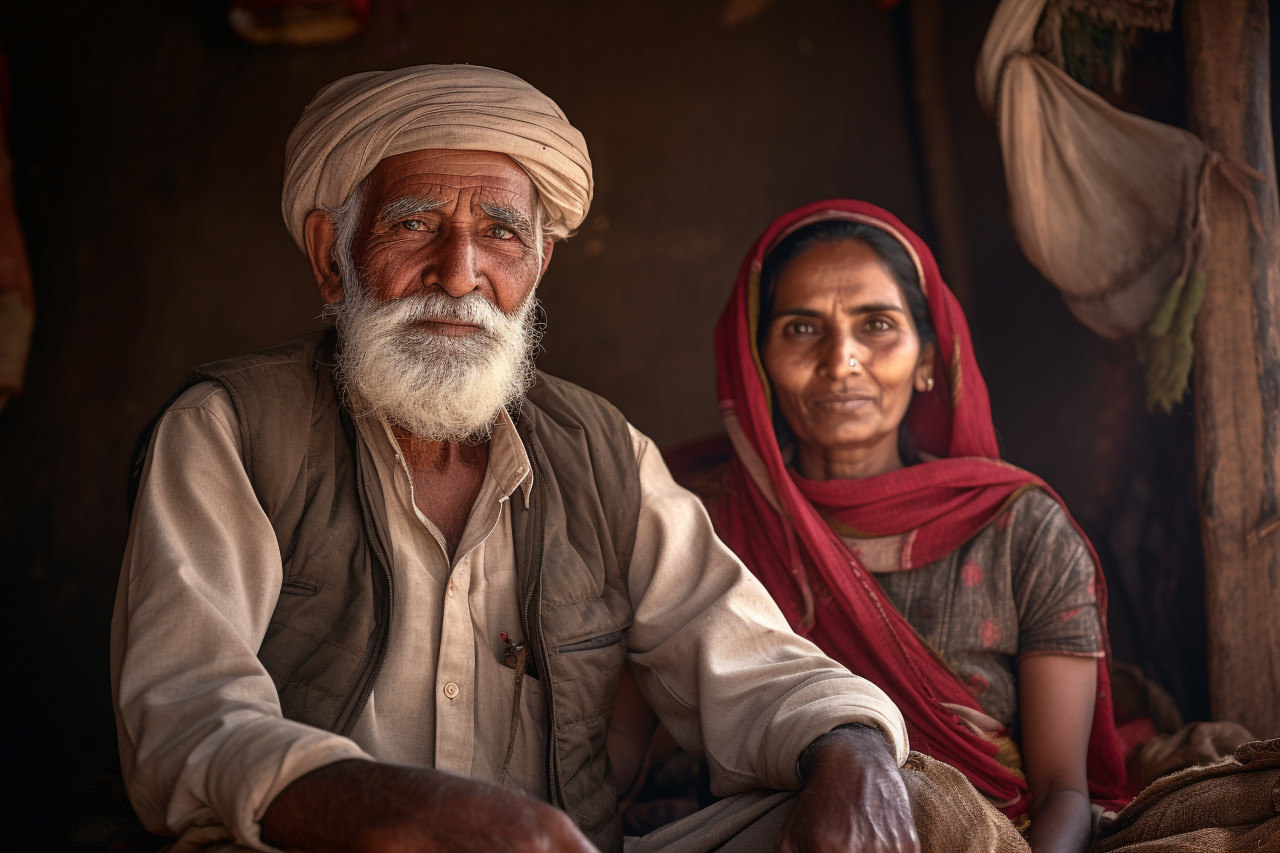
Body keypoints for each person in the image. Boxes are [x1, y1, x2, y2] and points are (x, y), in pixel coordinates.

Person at [111, 67, 931, 853]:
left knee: (925, 807)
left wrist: (853, 747)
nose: (459, 273)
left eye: (499, 233)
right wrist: (402, 813)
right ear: (333, 256)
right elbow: (184, 716)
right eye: (413, 223)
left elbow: (745, 653)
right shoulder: (232, 430)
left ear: (536, 267)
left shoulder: (600, 450)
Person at [680, 199, 1131, 853]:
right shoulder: (705, 525)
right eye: (802, 328)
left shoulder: (1021, 529)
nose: (842, 361)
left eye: (878, 325)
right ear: (757, 362)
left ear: (927, 358)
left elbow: (1065, 788)